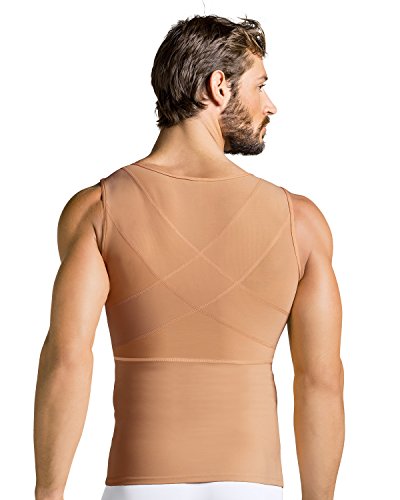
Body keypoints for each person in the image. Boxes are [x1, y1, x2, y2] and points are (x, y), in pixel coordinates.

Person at [33, 14, 345, 500]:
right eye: (260, 86)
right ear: (219, 87)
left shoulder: (97, 211)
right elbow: (320, 381)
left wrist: (47, 494)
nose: (271, 105)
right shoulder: (300, 223)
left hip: (137, 486)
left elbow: (67, 360)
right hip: (252, 487)